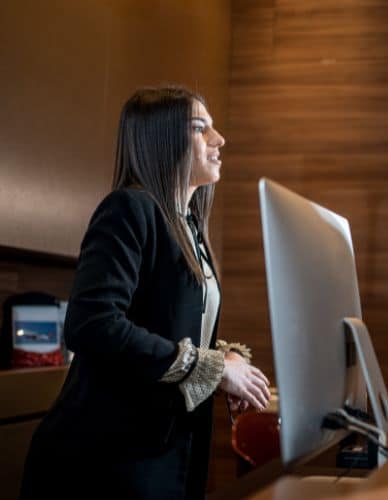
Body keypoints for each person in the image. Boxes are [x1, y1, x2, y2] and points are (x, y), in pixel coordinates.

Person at [21, 86, 271, 499]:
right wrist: (214, 369)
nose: (219, 139)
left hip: (165, 455)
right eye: (200, 128)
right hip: (105, 462)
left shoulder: (190, 228)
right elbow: (93, 323)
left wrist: (225, 358)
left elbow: (168, 321)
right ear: (163, 139)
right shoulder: (129, 208)